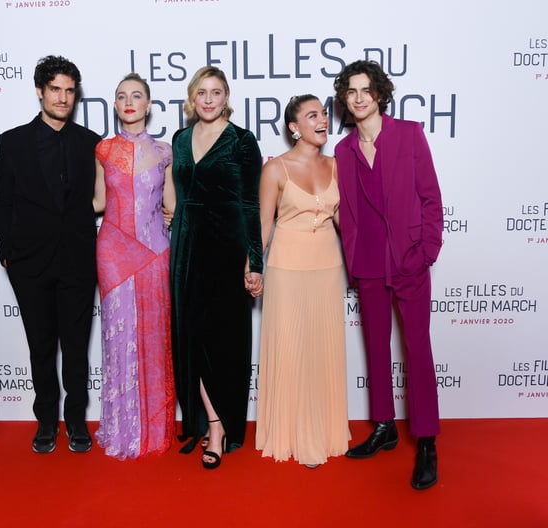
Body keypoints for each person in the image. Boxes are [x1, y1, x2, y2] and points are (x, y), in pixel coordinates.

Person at [333, 60, 443, 489]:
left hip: (409, 258)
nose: (359, 98)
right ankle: (384, 426)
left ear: (379, 94)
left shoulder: (409, 134)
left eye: (366, 90)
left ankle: (428, 441)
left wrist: (426, 251)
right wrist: (354, 260)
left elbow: (431, 198)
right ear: (345, 99)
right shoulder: (344, 151)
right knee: (376, 347)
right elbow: (348, 213)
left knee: (417, 348)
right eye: (351, 91)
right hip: (369, 263)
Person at [0, 55, 100, 454]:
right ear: (40, 91)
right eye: (55, 89)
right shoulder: (12, 142)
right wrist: (7, 253)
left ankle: (75, 421)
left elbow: (102, 198)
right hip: (30, 264)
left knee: (75, 347)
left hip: (77, 261)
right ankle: (45, 422)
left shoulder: (90, 143)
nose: (62, 98)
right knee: (40, 346)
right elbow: (2, 202)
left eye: (69, 91)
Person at [169, 66, 263, 470]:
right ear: (193, 97)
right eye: (201, 92)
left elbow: (250, 205)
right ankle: (212, 422)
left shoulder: (242, 140)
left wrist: (253, 261)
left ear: (226, 97)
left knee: (223, 341)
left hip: (226, 251)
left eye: (216, 92)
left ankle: (223, 427)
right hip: (186, 250)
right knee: (192, 339)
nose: (208, 99)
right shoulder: (180, 138)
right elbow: (176, 192)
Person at [255, 95, 350, 467]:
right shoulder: (275, 169)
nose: (323, 120)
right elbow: (264, 224)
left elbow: (346, 223)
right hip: (286, 270)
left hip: (327, 268)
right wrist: (253, 268)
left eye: (324, 113)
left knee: (321, 348)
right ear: (294, 127)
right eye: (313, 115)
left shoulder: (338, 165)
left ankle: (323, 431)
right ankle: (291, 432)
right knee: (293, 347)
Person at [92, 73, 176, 460]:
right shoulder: (103, 149)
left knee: (154, 337)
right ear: (115, 105)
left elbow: (171, 204)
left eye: (136, 95)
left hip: (155, 248)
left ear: (148, 104)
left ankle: (154, 428)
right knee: (119, 334)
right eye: (122, 96)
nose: (129, 101)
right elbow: (97, 202)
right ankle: (123, 426)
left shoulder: (164, 151)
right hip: (113, 250)